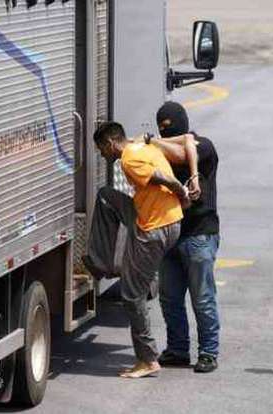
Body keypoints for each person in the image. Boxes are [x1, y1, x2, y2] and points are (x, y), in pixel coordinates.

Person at [88, 121, 193, 378]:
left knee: (132, 294)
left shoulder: (128, 159)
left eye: (101, 149)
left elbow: (161, 177)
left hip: (154, 228)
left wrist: (181, 190)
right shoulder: (143, 148)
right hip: (169, 220)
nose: (102, 155)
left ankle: (147, 359)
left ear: (110, 144)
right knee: (105, 195)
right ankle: (101, 262)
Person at [148, 101, 222, 373]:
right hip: (170, 234)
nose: (165, 131)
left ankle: (208, 352)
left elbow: (180, 154)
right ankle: (178, 350)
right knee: (170, 298)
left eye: (170, 126)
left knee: (202, 298)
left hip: (199, 234)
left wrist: (152, 142)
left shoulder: (204, 146)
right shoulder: (163, 148)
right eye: (161, 128)